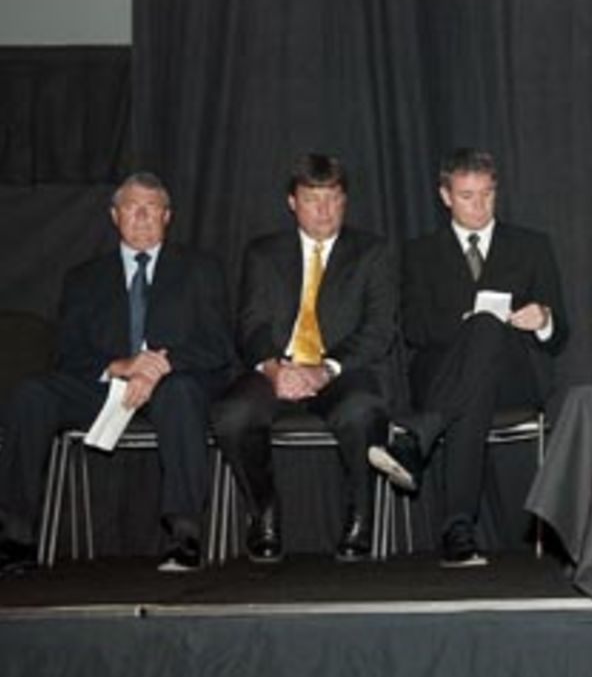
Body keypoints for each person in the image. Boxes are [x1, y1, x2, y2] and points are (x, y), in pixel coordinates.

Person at [0, 172, 233, 575]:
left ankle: (183, 533)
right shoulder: (83, 278)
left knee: (179, 394)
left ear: (168, 216)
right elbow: (68, 354)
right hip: (106, 387)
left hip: (173, 386)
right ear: (114, 216)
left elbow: (219, 347)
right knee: (31, 394)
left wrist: (160, 365)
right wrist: (119, 366)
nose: (141, 217)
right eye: (131, 207)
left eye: (152, 208)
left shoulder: (201, 270)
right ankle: (15, 535)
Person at [369, 148, 567, 567]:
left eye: (487, 195)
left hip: (513, 378)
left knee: (489, 332)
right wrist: (468, 324)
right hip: (443, 372)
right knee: (478, 352)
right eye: (467, 196)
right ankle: (458, 531)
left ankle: (422, 434)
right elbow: (414, 330)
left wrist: (544, 317)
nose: (479, 206)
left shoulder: (531, 246)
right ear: (445, 196)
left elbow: (559, 336)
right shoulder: (420, 253)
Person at [213, 154, 395, 564]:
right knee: (233, 415)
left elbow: (379, 331)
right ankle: (264, 514)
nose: (324, 210)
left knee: (362, 411)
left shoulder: (372, 252)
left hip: (340, 371)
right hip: (279, 368)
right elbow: (250, 325)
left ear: (345, 200)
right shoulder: (263, 253)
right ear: (292, 202)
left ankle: (359, 519)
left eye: (333, 199)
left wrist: (324, 369)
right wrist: (275, 368)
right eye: (313, 200)